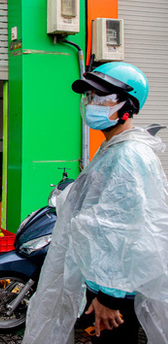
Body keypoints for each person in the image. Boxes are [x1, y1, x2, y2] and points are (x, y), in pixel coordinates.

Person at [22, 62, 168, 344]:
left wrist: (109, 297)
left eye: (102, 97)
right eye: (90, 97)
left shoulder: (128, 155)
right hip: (106, 279)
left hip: (115, 287)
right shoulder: (114, 147)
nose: (93, 104)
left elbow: (122, 230)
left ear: (127, 106)